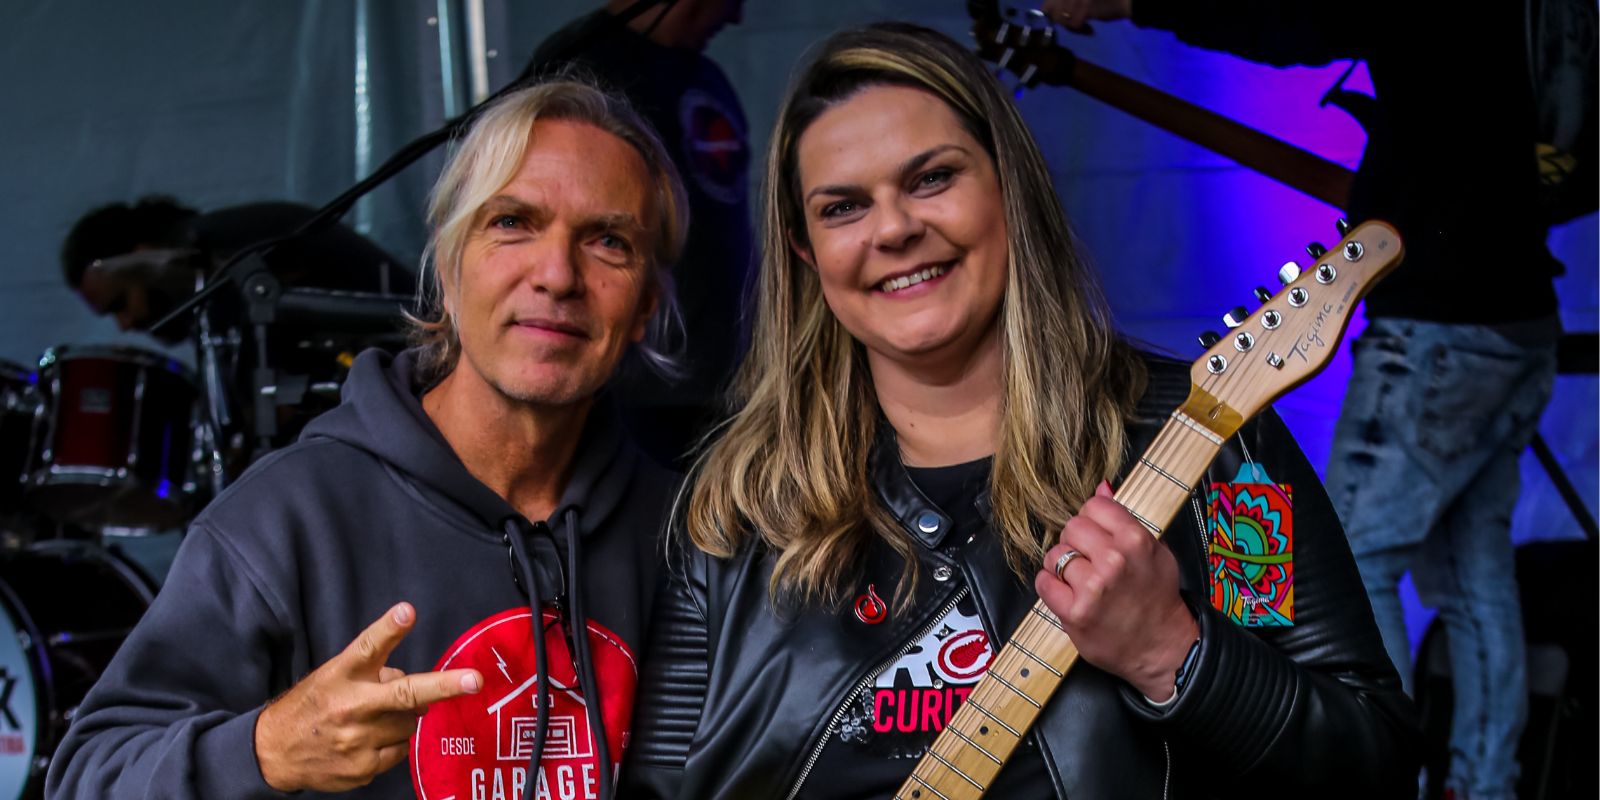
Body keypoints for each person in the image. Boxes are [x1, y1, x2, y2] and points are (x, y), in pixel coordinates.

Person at [619, 23, 1416, 799]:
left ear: (1009, 187)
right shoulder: (733, 509)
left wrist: (1172, 651)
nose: (894, 228)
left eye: (932, 178)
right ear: (804, 249)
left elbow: (1368, 761)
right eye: (843, 208)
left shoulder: (1218, 457)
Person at [46, 79, 686, 799]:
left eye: (608, 241)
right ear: (447, 268)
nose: (557, 274)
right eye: (512, 222)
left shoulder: (689, 535)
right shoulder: (283, 520)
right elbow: (86, 779)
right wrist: (262, 751)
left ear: (646, 307)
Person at [1040, 2, 1564, 797]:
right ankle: (1486, 784)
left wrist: (1128, 3)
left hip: (1438, 324)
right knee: (1471, 570)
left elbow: (1288, 18)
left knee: (1352, 567)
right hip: (1518, 317)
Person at [527, 0, 750, 466]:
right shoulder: (583, 66)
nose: (734, 17)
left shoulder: (707, 76)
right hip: (640, 393)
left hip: (727, 384)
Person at [61, 196, 415, 342]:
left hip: (409, 340)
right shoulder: (211, 255)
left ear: (142, 257)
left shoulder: (217, 250)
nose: (124, 325)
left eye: (119, 304)